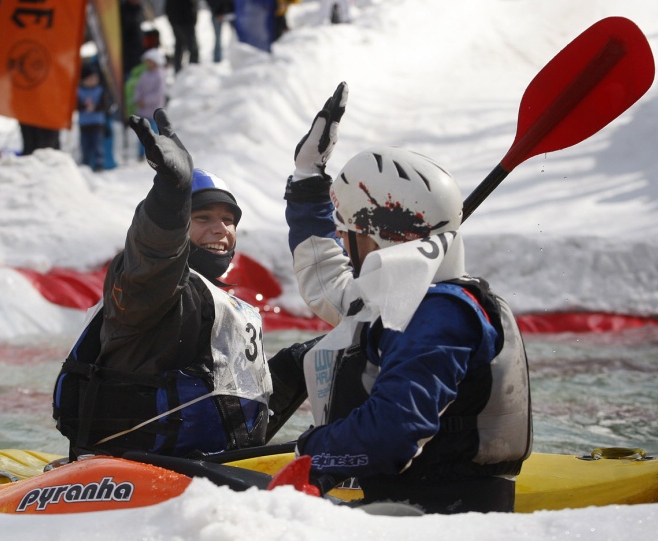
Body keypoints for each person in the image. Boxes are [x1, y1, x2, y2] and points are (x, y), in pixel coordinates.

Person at [279, 83, 533, 513]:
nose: (340, 238)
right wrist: (308, 181)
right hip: (414, 503)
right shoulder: (405, 296)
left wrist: (311, 455)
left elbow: (391, 433)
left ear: (377, 240)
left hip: (436, 515)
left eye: (348, 232)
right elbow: (328, 282)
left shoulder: (439, 313)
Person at [52, 109, 273, 459]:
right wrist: (171, 196)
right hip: (131, 470)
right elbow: (154, 252)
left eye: (228, 220)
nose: (221, 230)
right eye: (203, 218)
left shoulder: (220, 302)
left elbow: (242, 400)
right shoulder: (152, 284)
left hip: (212, 463)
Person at [132, 48, 167, 159]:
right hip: (142, 111)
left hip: (153, 110)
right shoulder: (145, 74)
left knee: (153, 133)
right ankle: (141, 153)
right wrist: (137, 99)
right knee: (142, 132)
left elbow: (158, 94)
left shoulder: (159, 75)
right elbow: (138, 88)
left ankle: (154, 152)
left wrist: (145, 101)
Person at [77, 63, 110, 172]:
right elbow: (76, 106)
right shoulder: (79, 91)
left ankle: (98, 164)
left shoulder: (100, 90)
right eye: (89, 79)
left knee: (98, 145)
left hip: (97, 123)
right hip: (84, 124)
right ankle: (85, 164)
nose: (92, 81)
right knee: (85, 145)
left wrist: (94, 107)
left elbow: (105, 105)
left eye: (94, 78)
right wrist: (84, 106)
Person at [165, 0, 199, 73]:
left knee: (180, 46)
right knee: (192, 48)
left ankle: (178, 69)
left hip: (177, 21)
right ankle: (193, 71)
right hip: (185, 22)